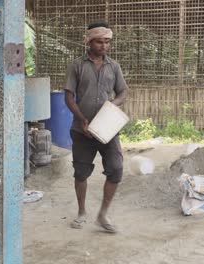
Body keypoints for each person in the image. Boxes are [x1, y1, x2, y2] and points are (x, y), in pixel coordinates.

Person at [64, 21, 128, 233]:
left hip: (107, 128)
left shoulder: (114, 67)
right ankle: (82, 212)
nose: (104, 46)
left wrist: (112, 106)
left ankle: (103, 214)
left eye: (107, 42)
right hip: (81, 129)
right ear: (89, 41)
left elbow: (122, 93)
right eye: (99, 42)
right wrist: (82, 119)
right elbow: (69, 97)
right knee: (81, 172)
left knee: (116, 168)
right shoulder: (76, 66)